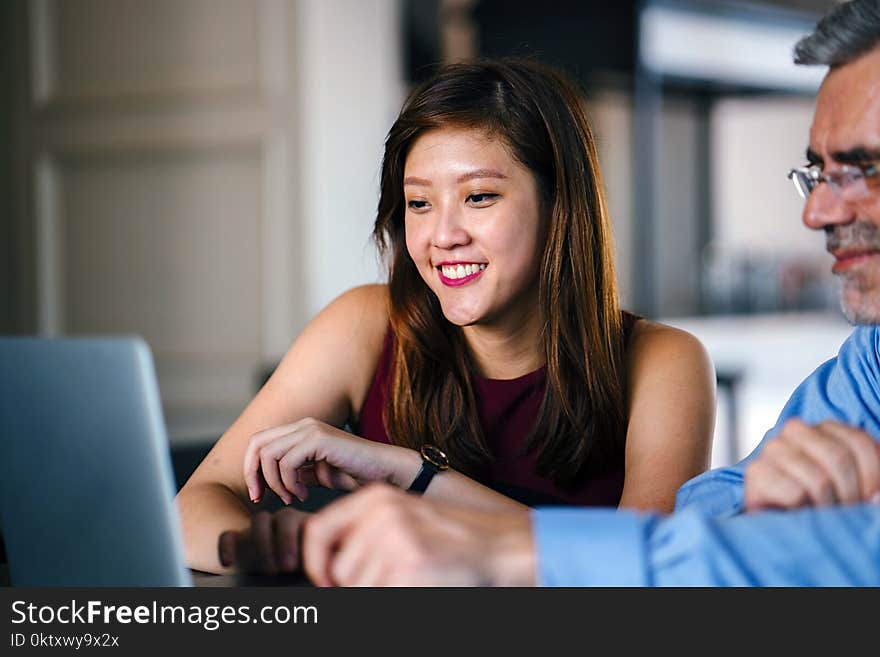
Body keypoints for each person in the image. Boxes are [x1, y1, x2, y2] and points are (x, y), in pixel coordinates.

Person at [293, 0, 880, 586]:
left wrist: (439, 499)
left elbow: (666, 562)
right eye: (820, 174)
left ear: (559, 211)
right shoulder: (869, 360)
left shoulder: (659, 359)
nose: (815, 212)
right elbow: (709, 518)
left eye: (863, 170)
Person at [176, 59, 716, 573]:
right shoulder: (363, 323)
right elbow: (193, 506)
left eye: (479, 197)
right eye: (418, 203)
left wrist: (409, 472)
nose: (442, 236)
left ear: (561, 208)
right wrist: (269, 552)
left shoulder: (663, 361)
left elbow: (640, 571)